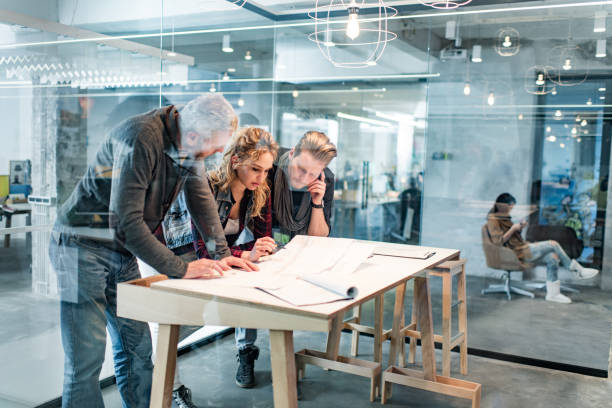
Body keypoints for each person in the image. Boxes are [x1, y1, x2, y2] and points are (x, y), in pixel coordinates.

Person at [48, 94, 256, 408]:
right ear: (194, 136)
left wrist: (220, 253)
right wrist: (182, 268)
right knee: (86, 359)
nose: (215, 155)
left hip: (120, 251)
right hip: (81, 246)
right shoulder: (140, 138)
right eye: (214, 148)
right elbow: (126, 223)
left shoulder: (188, 142)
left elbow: (201, 201)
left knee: (137, 349)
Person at [191, 127, 278, 389]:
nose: (262, 178)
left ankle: (246, 351)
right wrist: (246, 252)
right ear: (235, 160)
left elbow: (265, 240)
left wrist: (255, 251)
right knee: (178, 324)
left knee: (252, 278)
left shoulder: (259, 191)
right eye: (255, 169)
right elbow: (203, 250)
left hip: (223, 258)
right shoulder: (205, 187)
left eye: (266, 171)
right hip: (191, 260)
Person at [487, 193, 598, 304]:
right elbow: (498, 242)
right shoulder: (493, 221)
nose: (512, 208)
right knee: (552, 244)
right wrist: (513, 228)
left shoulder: (505, 218)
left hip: (522, 248)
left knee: (552, 256)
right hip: (516, 253)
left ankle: (553, 294)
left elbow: (511, 238)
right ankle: (578, 270)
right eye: (510, 206)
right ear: (502, 205)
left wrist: (519, 229)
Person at [269, 131, 338, 243]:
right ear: (292, 153)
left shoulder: (325, 180)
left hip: (302, 248)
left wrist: (317, 202)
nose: (304, 178)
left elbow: (319, 237)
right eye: (301, 169)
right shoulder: (270, 165)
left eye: (312, 174)